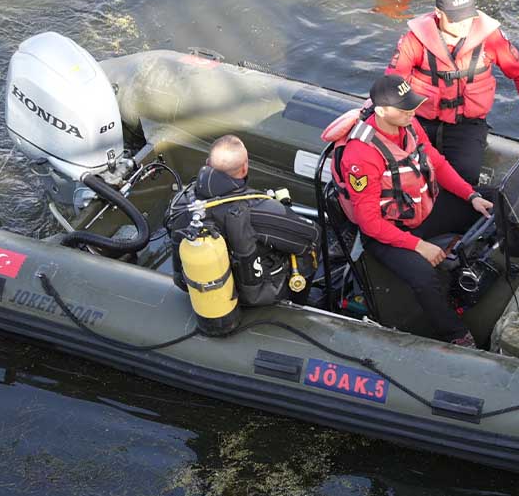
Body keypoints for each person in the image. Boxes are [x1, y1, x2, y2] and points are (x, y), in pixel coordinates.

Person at [329, 75, 494, 346]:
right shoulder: (361, 156)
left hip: (421, 207)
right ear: (382, 111)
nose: (413, 112)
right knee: (423, 277)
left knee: (494, 201)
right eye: (405, 108)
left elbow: (437, 163)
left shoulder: (409, 124)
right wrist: (418, 246)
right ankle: (455, 334)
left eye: (412, 106)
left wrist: (471, 195)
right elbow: (369, 222)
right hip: (388, 230)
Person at [385, 0, 519, 187]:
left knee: (464, 180)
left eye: (468, 17)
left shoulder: (490, 38)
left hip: (466, 126)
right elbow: (392, 84)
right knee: (405, 178)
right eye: (456, 19)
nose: (464, 24)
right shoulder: (415, 39)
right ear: (438, 13)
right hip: (419, 121)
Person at [167, 135, 320, 305]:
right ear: (245, 168)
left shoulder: (179, 203)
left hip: (197, 285)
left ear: (207, 163)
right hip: (255, 294)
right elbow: (310, 235)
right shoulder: (261, 210)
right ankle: (300, 301)